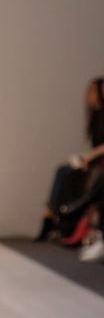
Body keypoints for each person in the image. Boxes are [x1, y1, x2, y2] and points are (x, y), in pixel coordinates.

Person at [35, 77, 104, 243]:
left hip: (99, 162)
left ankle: (61, 218)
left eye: (94, 90)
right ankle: (56, 217)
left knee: (69, 174)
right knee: (65, 172)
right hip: (95, 161)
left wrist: (88, 158)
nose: (90, 94)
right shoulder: (95, 117)